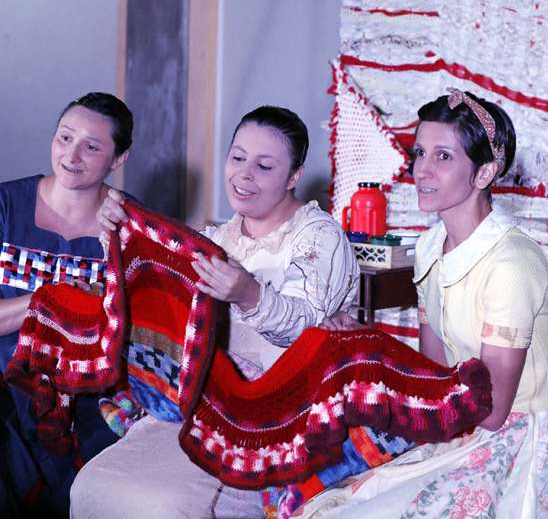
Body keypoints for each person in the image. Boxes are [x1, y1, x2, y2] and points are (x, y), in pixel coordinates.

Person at [294, 89, 548, 518]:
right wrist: (362, 340)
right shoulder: (429, 248)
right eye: (420, 152)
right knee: (320, 502)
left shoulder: (512, 265)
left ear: (484, 173)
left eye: (443, 157)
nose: (421, 170)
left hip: (516, 443)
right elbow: (435, 371)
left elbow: (494, 411)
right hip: (458, 425)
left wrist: (378, 354)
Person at [70, 105, 361, 518]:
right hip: (201, 398)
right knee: (93, 485)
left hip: (272, 415)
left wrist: (248, 295)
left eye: (264, 165)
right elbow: (157, 297)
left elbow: (308, 331)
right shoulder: (214, 239)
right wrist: (115, 238)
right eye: (237, 157)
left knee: (167, 505)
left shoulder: (320, 237)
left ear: (294, 176)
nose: (244, 174)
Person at [0, 92, 133, 517]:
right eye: (64, 138)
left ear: (118, 158)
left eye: (91, 146)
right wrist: (50, 299)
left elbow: (139, 336)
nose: (71, 156)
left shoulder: (130, 229)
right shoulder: (5, 207)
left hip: (86, 397)